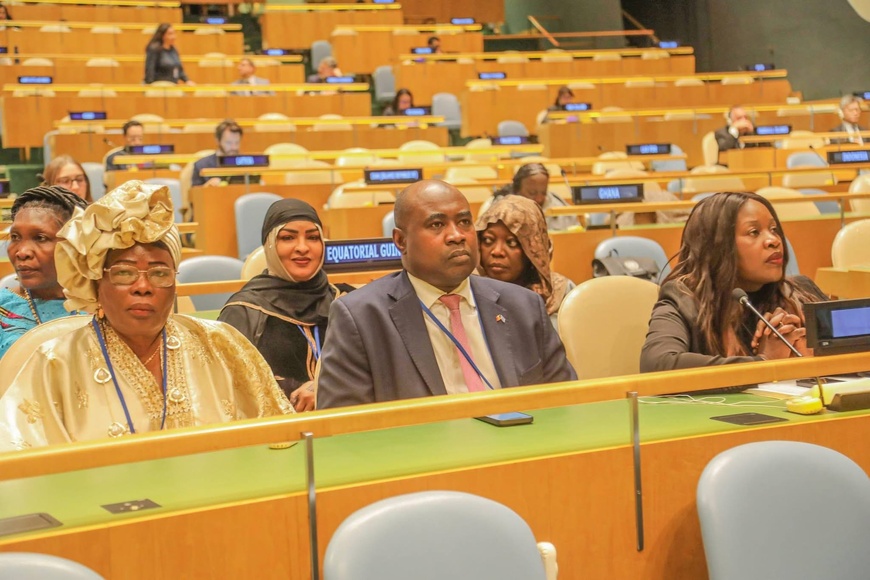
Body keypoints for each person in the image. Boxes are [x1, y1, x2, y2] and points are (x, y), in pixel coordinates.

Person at [0, 181, 292, 449]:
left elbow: (283, 439)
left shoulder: (222, 344)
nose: (143, 287)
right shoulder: (54, 363)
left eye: (159, 273)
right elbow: (21, 461)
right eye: (124, 273)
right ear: (96, 284)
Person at [316, 180, 576, 409]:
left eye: (464, 222)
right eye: (437, 224)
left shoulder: (522, 305)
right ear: (401, 241)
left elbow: (567, 402)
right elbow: (344, 431)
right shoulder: (360, 318)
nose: (457, 236)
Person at [640, 191, 826, 374]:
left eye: (774, 229)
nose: (773, 240)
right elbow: (658, 363)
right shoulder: (683, 299)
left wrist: (817, 345)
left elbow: (852, 338)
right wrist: (764, 363)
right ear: (717, 246)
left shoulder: (799, 291)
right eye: (754, 232)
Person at [219, 199, 354, 412]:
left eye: (312, 237)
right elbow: (234, 389)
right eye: (288, 238)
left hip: (349, 424)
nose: (302, 248)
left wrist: (324, 387)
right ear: (270, 246)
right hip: (278, 431)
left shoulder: (347, 300)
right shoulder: (244, 311)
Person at [0, 186, 88, 359]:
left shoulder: (103, 308)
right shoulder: (3, 308)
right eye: (15, 237)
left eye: (40, 238)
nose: (22, 252)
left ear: (74, 245)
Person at [475, 195, 575, 328]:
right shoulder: (471, 295)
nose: (497, 252)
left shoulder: (563, 293)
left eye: (512, 243)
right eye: (488, 240)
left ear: (534, 249)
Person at [489, 163, 579, 232]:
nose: (539, 199)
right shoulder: (499, 209)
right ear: (517, 191)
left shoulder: (560, 208)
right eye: (532, 193)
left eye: (543, 193)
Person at [191, 120, 252, 187]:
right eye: (229, 143)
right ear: (218, 141)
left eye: (237, 142)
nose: (234, 147)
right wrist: (206, 187)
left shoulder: (248, 163)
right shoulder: (201, 166)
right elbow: (195, 194)